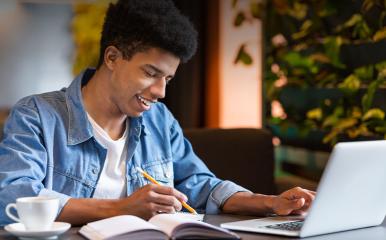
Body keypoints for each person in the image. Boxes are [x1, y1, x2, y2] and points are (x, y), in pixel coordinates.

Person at [0, 0, 315, 226]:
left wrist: (270, 203)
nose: (160, 92)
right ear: (112, 56)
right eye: (150, 73)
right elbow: (13, 197)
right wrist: (122, 208)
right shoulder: (36, 115)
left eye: (168, 79)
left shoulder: (159, 119)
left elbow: (200, 185)